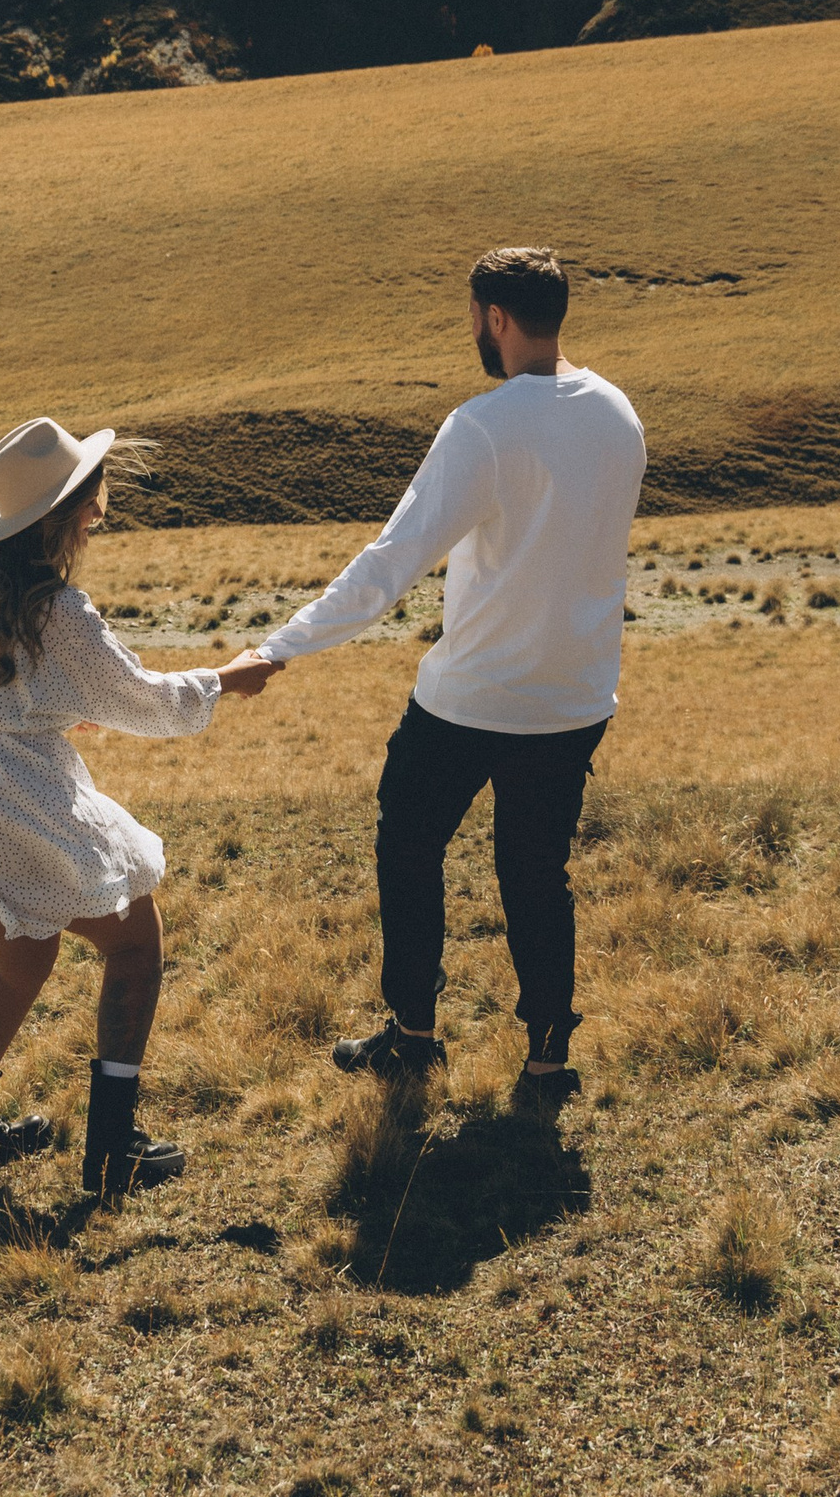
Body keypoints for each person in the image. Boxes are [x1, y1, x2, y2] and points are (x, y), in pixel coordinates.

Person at [231, 247, 644, 1109]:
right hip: (573, 698)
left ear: (495, 318)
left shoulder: (485, 427)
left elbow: (393, 562)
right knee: (538, 873)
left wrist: (281, 647)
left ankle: (414, 1038)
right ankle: (546, 1063)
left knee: (408, 845)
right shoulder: (618, 415)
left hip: (471, 697)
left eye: (474, 320)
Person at [0, 415, 274, 1196]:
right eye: (91, 497)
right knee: (137, 943)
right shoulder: (60, 612)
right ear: (61, 511)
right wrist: (227, 679)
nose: (101, 511)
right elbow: (143, 701)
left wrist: (50, 710)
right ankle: (113, 1150)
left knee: (23, 961)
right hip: (16, 790)